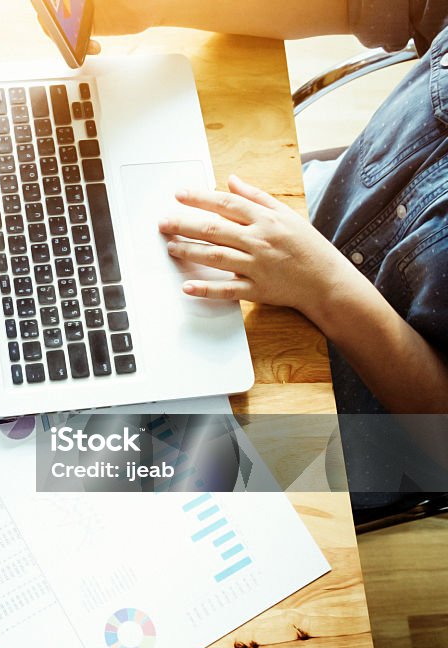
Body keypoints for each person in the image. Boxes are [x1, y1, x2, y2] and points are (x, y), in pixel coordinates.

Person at [79, 0, 448, 416]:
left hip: (347, 417)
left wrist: (323, 285)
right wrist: (153, 9)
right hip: (286, 218)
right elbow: (355, 8)